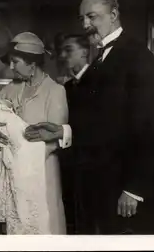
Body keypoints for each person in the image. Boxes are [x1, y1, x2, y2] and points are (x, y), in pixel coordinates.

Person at [25, 0, 154, 234]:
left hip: (122, 188)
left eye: (92, 17)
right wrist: (63, 130)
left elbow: (150, 128)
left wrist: (133, 189)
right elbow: (99, 121)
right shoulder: (100, 61)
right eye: (82, 19)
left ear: (113, 15)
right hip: (98, 185)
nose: (85, 25)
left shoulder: (139, 57)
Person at [0, 32, 73, 234]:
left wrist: (20, 155)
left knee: (41, 226)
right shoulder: (11, 88)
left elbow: (53, 139)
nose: (10, 67)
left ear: (32, 64)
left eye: (15, 62)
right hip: (10, 174)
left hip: (41, 171)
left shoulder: (55, 91)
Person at [56, 33, 91, 234]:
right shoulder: (67, 87)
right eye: (62, 50)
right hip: (72, 162)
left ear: (85, 52)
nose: (62, 55)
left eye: (68, 50)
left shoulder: (98, 81)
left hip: (93, 164)